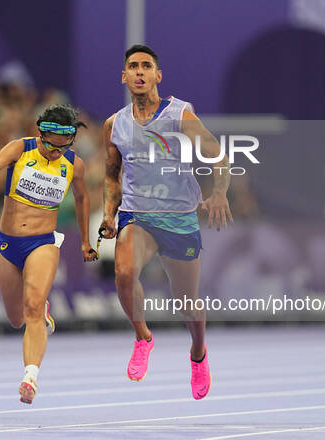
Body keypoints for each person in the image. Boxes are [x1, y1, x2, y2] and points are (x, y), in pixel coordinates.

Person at [99, 45, 232, 400]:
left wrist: (219, 192)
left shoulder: (179, 114)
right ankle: (143, 336)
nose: (139, 72)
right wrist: (110, 214)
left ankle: (198, 353)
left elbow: (217, 154)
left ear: (158, 75)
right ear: (124, 76)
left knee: (187, 302)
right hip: (137, 215)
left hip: (178, 216)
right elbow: (112, 177)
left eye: (146, 66)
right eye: (132, 66)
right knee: (125, 272)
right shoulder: (115, 124)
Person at [0, 104, 97, 404]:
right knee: (16, 318)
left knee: (32, 307)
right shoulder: (20, 149)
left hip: (42, 243)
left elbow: (83, 200)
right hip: (8, 243)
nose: (54, 153)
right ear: (41, 134)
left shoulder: (74, 165)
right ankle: (38, 311)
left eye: (62, 148)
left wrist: (85, 241)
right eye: (50, 146)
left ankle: (30, 376)